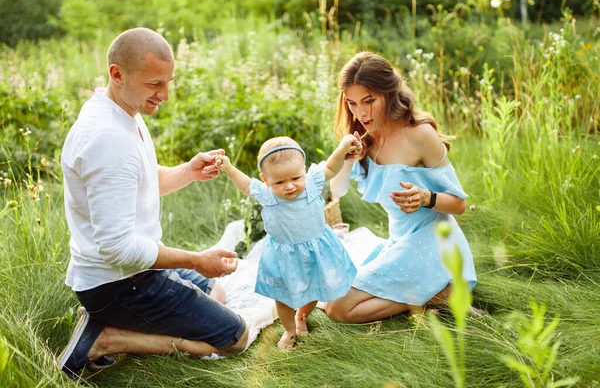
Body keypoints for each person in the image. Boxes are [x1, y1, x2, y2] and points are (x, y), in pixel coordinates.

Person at [58, 28, 248, 380]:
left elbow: (140, 180)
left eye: (168, 82)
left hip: (136, 272)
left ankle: (108, 322)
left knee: (218, 293)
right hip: (119, 283)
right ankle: (108, 338)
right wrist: (195, 260)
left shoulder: (120, 109)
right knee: (233, 337)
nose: (164, 94)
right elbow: (118, 248)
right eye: (154, 84)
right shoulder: (107, 139)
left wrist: (187, 172)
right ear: (117, 74)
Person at [324, 51, 479, 323]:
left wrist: (425, 197)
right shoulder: (364, 137)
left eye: (369, 101)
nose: (360, 113)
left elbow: (459, 204)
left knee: (338, 308)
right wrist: (346, 158)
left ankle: (438, 292)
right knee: (332, 302)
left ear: (389, 93)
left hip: (434, 242)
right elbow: (336, 192)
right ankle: (435, 294)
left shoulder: (419, 135)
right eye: (351, 104)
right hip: (400, 240)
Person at [213, 136, 360, 349]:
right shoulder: (269, 196)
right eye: (279, 182)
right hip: (285, 256)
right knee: (283, 298)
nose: (289, 186)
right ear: (266, 180)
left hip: (315, 251)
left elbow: (330, 166)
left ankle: (302, 316)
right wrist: (228, 168)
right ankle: (289, 330)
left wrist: (343, 148)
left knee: (314, 289)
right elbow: (245, 184)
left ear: (304, 170)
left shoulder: (311, 183)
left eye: (296, 178)